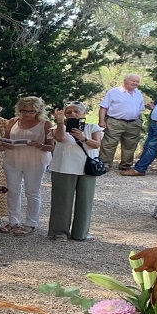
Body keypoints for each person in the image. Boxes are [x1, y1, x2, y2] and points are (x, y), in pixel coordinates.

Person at [0, 96, 52, 237]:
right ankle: (13, 220)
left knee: (32, 192)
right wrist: (6, 144)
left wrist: (38, 144)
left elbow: (51, 146)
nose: (27, 114)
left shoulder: (45, 124)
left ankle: (31, 223)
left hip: (35, 160)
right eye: (24, 111)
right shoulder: (12, 121)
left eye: (31, 111)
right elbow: (5, 140)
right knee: (12, 191)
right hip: (12, 159)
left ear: (38, 110)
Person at [51, 102, 103, 241]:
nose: (72, 114)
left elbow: (97, 144)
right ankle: (59, 231)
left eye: (76, 111)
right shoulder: (57, 127)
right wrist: (61, 122)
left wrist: (83, 138)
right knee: (61, 200)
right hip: (63, 167)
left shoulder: (92, 127)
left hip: (87, 168)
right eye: (68, 112)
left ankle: (81, 232)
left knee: (85, 201)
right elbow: (60, 138)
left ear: (83, 114)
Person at [98, 74, 145, 170]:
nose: (135, 83)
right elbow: (103, 107)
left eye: (137, 82)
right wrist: (101, 121)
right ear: (125, 80)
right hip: (115, 121)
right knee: (109, 144)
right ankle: (105, 164)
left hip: (133, 123)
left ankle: (126, 165)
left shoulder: (138, 93)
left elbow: (140, 109)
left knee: (130, 145)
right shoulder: (113, 92)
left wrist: (139, 121)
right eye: (133, 81)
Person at [122, 76, 157, 176]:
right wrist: (153, 108)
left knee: (151, 147)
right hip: (155, 124)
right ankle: (139, 167)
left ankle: (139, 169)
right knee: (147, 146)